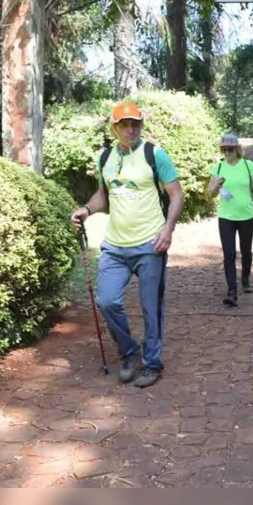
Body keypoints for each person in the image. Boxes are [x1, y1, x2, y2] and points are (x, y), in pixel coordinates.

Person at [71, 102, 184, 388]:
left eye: (136, 123)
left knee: (151, 308)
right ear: (115, 127)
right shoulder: (105, 157)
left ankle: (152, 364)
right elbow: (102, 196)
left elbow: (176, 195)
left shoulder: (154, 154)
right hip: (115, 246)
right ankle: (130, 352)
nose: (131, 129)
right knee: (107, 301)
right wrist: (86, 210)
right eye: (125, 124)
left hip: (150, 245)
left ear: (141, 125)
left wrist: (168, 229)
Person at [207, 133, 253, 306]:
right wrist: (216, 186)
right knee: (228, 254)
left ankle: (245, 277)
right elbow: (210, 194)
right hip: (226, 216)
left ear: (237, 149)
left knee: (246, 252)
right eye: (224, 149)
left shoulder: (247, 165)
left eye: (230, 149)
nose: (226, 152)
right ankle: (232, 291)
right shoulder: (218, 167)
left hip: (246, 215)